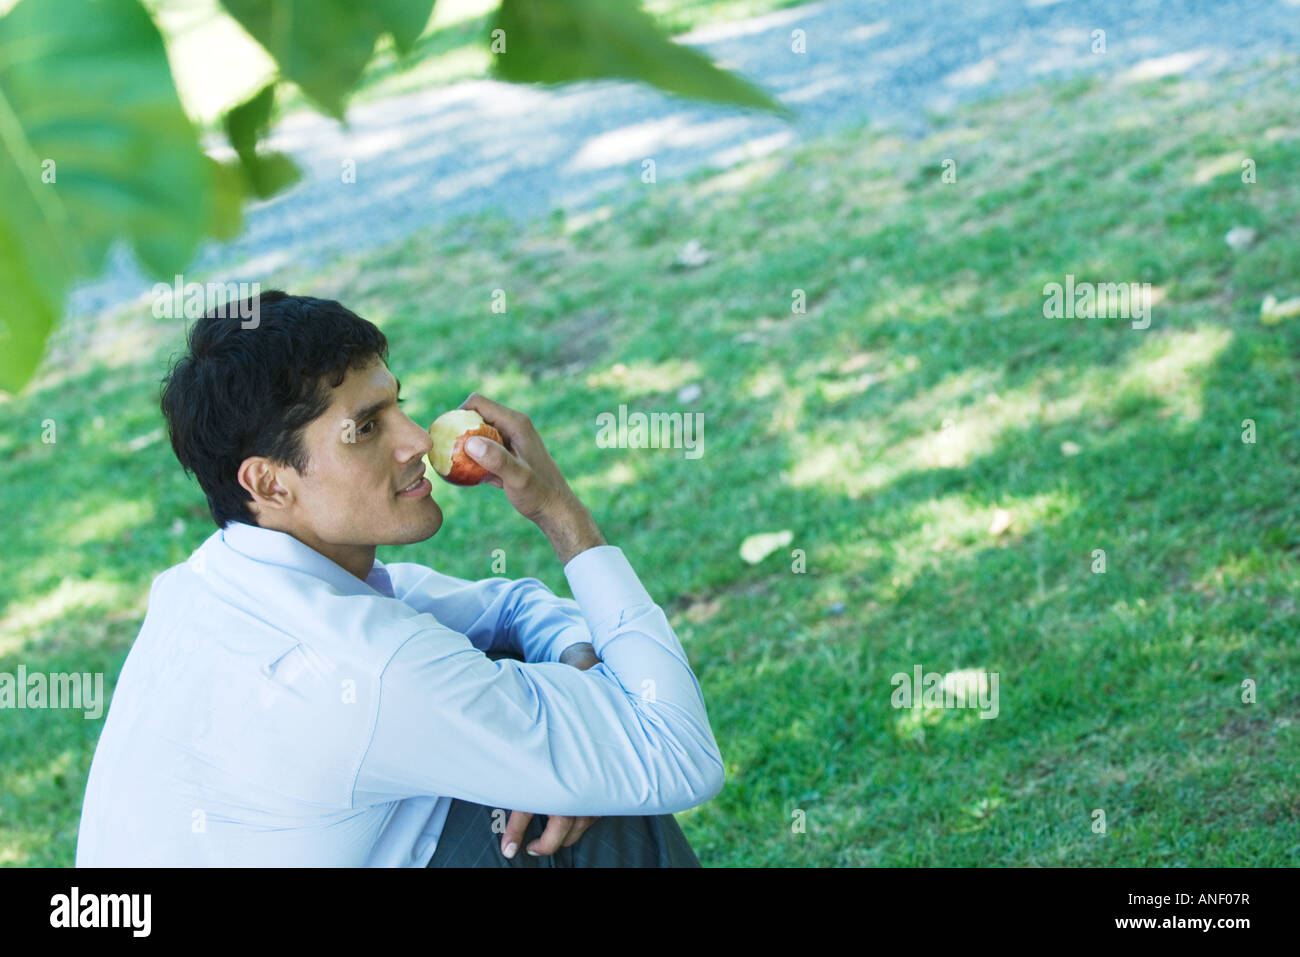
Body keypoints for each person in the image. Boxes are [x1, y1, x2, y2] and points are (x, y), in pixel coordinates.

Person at [74, 290, 723, 867]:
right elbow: (677, 751)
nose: (415, 439)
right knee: (602, 799)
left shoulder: (210, 579)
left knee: (544, 717)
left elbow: (511, 605)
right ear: (269, 480)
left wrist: (578, 665)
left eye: (398, 405)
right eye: (365, 427)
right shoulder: (370, 667)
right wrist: (561, 513)